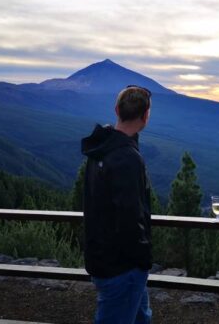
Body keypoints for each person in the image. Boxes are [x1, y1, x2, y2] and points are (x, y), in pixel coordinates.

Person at [81, 85, 154, 324]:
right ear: (145, 116)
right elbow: (130, 217)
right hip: (123, 267)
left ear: (117, 109)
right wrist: (143, 258)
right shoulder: (127, 158)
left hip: (104, 258)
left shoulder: (100, 149)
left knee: (141, 317)